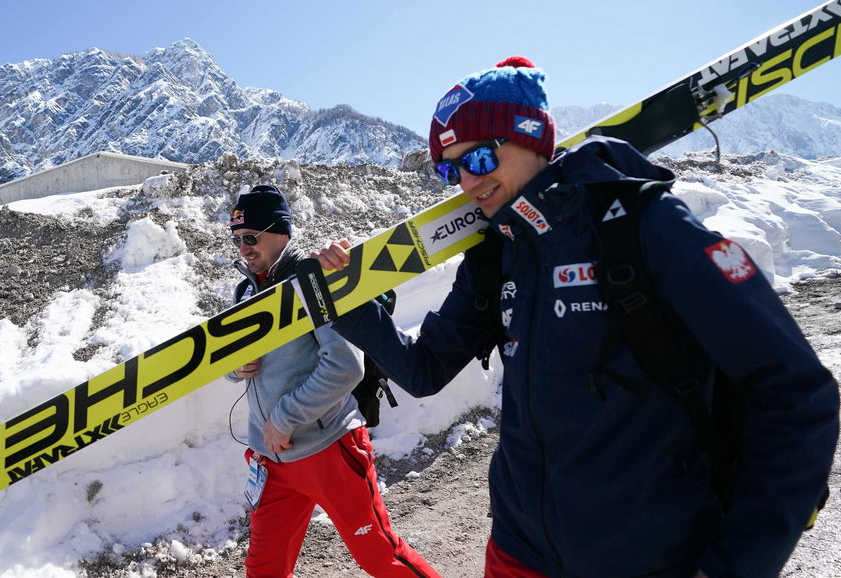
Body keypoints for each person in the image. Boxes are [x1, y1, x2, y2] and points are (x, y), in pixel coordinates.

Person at [312, 58, 839, 577]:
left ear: (530, 137)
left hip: (646, 559)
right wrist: (348, 298)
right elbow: (424, 369)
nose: (467, 184)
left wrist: (736, 565)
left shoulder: (640, 225)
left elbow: (799, 394)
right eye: (450, 170)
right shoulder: (497, 254)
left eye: (477, 160)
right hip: (518, 553)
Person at [223, 184, 441, 578]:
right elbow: (223, 364)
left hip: (329, 449)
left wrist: (283, 419)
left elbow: (345, 365)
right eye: (237, 239)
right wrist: (237, 367)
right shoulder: (244, 291)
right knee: (263, 570)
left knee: (381, 556)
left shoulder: (313, 280)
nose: (244, 249)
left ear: (281, 232)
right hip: (271, 458)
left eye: (251, 238)